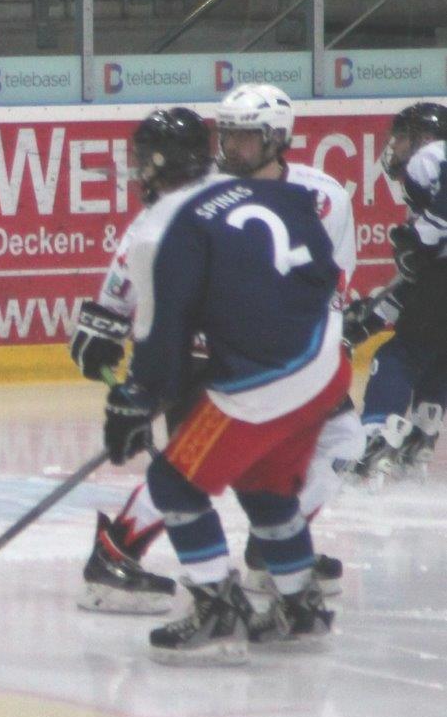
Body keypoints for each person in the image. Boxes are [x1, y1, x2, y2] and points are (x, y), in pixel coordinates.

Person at [71, 87, 362, 616]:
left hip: (272, 353)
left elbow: (324, 276)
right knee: (192, 467)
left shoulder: (312, 195)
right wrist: (108, 319)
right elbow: (142, 263)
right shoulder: (212, 194)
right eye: (227, 134)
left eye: (245, 135)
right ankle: (124, 552)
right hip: (233, 358)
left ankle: (262, 555)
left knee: (304, 450)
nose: (233, 146)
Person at [343, 101, 447, 486]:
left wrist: (423, 234)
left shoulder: (431, 157)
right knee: (437, 351)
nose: (395, 146)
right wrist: (374, 315)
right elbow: (419, 280)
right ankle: (422, 432)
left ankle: (375, 438)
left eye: (401, 137)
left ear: (423, 137)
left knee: (398, 355)